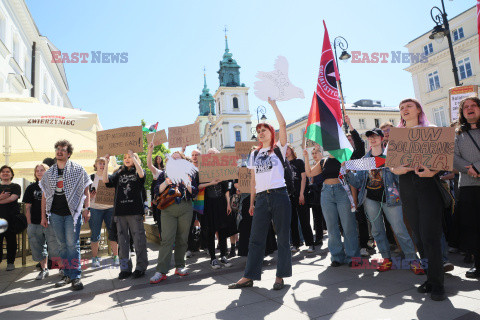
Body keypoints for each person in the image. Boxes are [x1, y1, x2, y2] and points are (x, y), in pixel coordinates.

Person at [228, 98, 291, 290]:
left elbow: (282, 124)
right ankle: (249, 276)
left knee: (282, 237)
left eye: (264, 130)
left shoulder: (279, 148)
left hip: (280, 195)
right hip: (262, 199)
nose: (260, 133)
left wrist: (273, 105)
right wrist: (252, 203)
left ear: (271, 133)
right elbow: (253, 181)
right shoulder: (254, 154)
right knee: (256, 238)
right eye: (258, 131)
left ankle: (280, 277)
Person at [390, 98, 445, 301]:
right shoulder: (397, 136)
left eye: (408, 106)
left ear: (418, 109)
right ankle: (430, 279)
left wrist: (432, 172)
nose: (404, 110)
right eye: (401, 107)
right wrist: (401, 168)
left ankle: (438, 283)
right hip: (406, 185)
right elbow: (393, 167)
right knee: (419, 237)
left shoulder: (431, 129)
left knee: (431, 235)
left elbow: (442, 159)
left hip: (428, 184)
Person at [346, 128, 417, 271]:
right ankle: (386, 258)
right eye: (370, 137)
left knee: (399, 229)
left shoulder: (391, 156)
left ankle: (413, 259)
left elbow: (399, 178)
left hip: (391, 197)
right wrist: (348, 173)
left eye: (375, 137)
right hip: (370, 199)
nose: (372, 139)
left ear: (382, 138)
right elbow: (359, 182)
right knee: (377, 230)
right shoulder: (364, 160)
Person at [40, 140, 92, 290]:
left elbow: (86, 191)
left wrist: (87, 209)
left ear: (68, 153)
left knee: (72, 245)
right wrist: (43, 216)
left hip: (72, 214)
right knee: (62, 246)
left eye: (63, 149)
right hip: (55, 214)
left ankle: (76, 276)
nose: (59, 151)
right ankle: (67, 275)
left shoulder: (78, 169)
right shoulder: (49, 173)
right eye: (57, 149)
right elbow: (44, 196)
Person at [304, 148, 360, 267]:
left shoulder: (344, 159)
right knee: (331, 227)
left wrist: (354, 200)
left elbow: (352, 181)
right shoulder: (323, 161)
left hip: (343, 192)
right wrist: (305, 157)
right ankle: (337, 257)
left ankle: (353, 257)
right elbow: (309, 173)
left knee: (348, 225)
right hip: (326, 193)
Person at [150, 150, 199, 284]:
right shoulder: (164, 173)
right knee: (166, 239)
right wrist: (166, 182)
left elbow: (194, 192)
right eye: (173, 159)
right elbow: (156, 191)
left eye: (178, 159)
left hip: (185, 208)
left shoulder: (190, 173)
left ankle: (180, 266)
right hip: (168, 209)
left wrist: (187, 182)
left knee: (182, 239)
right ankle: (161, 271)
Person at [103, 150, 148, 280]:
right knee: (122, 242)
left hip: (135, 211)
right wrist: (106, 162)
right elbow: (106, 181)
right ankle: (125, 269)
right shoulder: (119, 173)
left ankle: (140, 267)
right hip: (120, 212)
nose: (127, 159)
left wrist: (135, 160)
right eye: (125, 157)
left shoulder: (138, 170)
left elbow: (141, 175)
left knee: (139, 240)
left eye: (130, 157)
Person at [453, 97, 480, 279]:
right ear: (462, 113)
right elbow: (453, 157)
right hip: (469, 187)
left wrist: (477, 167)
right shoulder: (457, 134)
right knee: (474, 227)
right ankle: (478, 265)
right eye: (466, 107)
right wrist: (470, 169)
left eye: (473, 105)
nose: (470, 109)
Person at [24, 164, 60, 279]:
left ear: (48, 171)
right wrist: (29, 223)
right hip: (34, 223)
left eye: (42, 170)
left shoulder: (54, 185)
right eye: (37, 171)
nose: (39, 172)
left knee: (54, 247)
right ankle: (44, 269)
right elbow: (27, 207)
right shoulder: (31, 188)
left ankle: (61, 269)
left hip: (50, 221)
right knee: (37, 248)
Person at [344, 115, 371, 257]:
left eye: (350, 139)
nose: (349, 141)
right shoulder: (341, 156)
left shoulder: (359, 153)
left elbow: (360, 143)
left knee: (361, 218)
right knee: (346, 220)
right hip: (343, 191)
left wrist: (349, 125)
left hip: (359, 191)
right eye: (346, 140)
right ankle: (349, 245)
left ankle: (364, 245)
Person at [89, 157, 119, 268]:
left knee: (113, 233)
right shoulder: (90, 178)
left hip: (110, 208)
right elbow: (84, 196)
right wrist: (90, 196)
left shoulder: (111, 177)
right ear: (95, 164)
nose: (102, 165)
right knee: (95, 234)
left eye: (104, 163)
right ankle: (95, 258)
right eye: (100, 163)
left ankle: (116, 256)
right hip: (95, 208)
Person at [287, 144, 314, 253]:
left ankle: (310, 243)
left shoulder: (299, 162)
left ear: (292, 150)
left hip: (300, 194)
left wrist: (302, 193)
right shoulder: (284, 164)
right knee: (292, 221)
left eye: (288, 149)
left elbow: (304, 178)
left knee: (304, 220)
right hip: (289, 196)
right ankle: (295, 244)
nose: (286, 151)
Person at [0, 165, 22, 271]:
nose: (5, 173)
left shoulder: (16, 186)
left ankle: (10, 262)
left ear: (12, 174)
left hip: (12, 218)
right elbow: (6, 198)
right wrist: (1, 197)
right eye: (3, 171)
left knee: (11, 241)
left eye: (7, 172)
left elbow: (12, 199)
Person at [309, 146, 326, 246]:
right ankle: (319, 238)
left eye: (316, 152)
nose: (314, 155)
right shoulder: (314, 165)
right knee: (317, 216)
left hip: (325, 190)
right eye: (313, 153)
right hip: (316, 192)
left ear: (321, 153)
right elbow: (312, 179)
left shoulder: (325, 163)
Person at [147, 142, 164, 236]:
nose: (159, 159)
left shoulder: (166, 169)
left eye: (160, 158)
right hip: (157, 186)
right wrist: (150, 150)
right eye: (157, 158)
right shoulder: (157, 171)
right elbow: (149, 165)